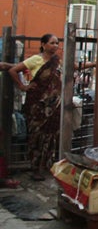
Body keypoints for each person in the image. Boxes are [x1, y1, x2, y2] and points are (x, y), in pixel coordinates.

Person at [7, 34, 63, 180]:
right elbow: (13, 70)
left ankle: (47, 166)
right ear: (43, 44)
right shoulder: (36, 59)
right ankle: (35, 168)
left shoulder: (57, 62)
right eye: (52, 43)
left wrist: (94, 64)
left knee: (51, 136)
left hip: (54, 107)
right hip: (38, 106)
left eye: (57, 43)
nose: (55, 45)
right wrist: (22, 86)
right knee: (36, 137)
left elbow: (70, 70)